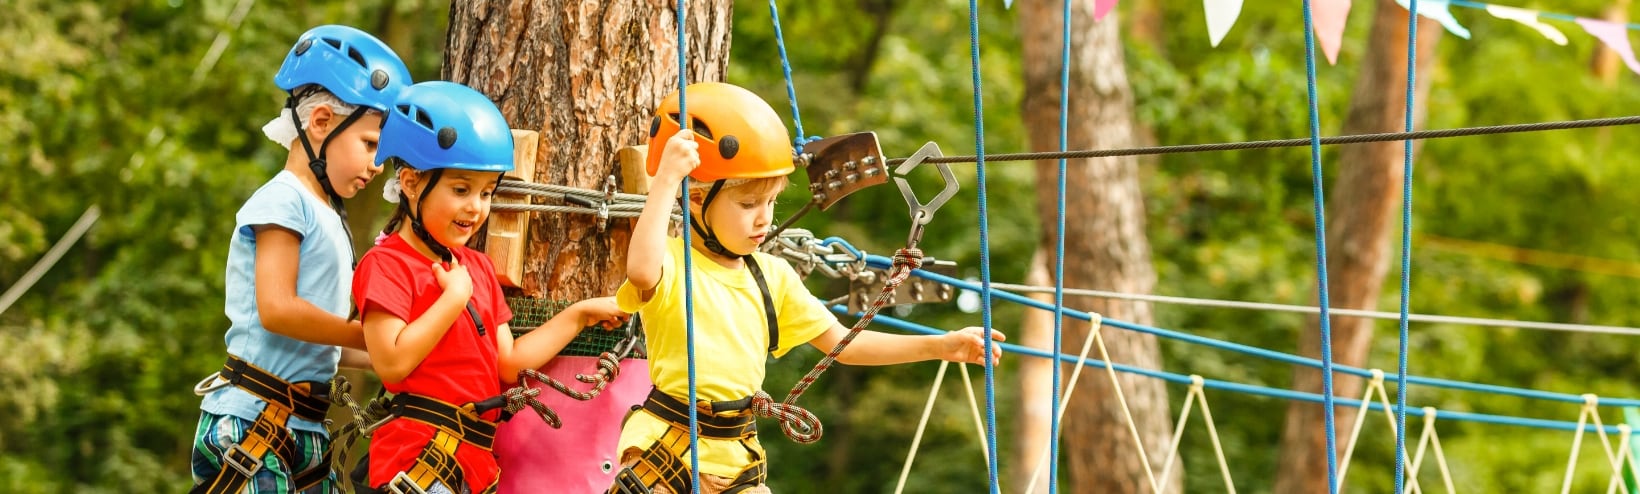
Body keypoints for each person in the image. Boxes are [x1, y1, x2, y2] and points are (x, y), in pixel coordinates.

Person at [610, 82, 1006, 494]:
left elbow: (844, 345)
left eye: (771, 203)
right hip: (665, 449)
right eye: (748, 205)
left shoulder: (772, 277)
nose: (764, 219)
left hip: (736, 455)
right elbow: (640, 270)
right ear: (693, 198)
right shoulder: (672, 263)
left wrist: (939, 346)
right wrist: (667, 180)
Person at [353, 80, 627, 494]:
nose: (476, 207)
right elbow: (391, 363)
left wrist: (579, 314)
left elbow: (509, 365)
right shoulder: (387, 264)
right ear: (410, 183)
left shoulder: (476, 267)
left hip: (473, 466)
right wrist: (453, 299)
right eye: (460, 190)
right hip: (417, 460)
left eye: (486, 192)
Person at [191, 24, 410, 494]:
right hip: (250, 421)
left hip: (303, 429)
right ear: (322, 122)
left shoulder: (331, 214)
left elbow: (324, 340)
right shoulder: (284, 200)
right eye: (371, 145)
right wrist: (367, 334)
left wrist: (392, 354)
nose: (377, 166)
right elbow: (279, 310)